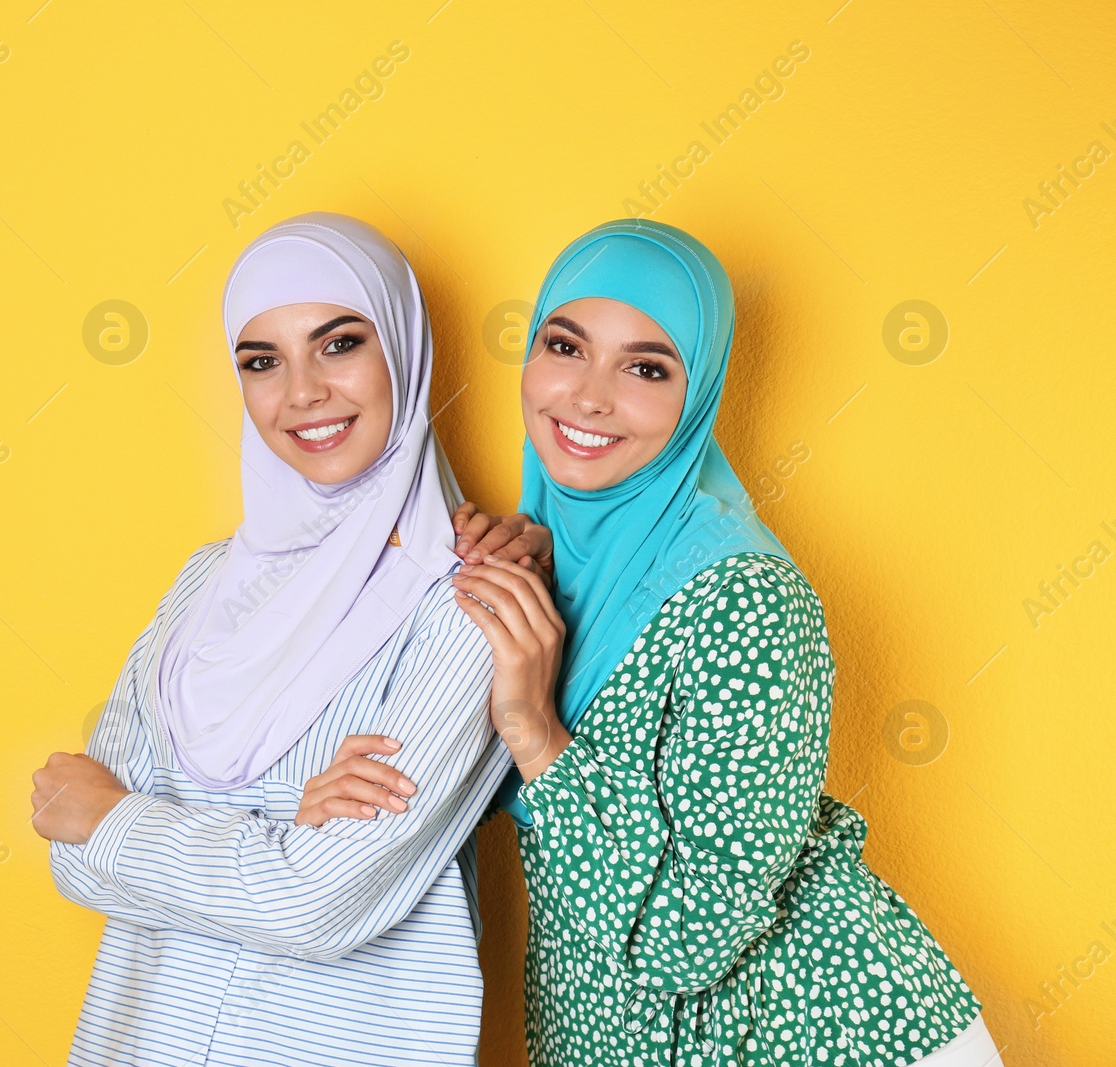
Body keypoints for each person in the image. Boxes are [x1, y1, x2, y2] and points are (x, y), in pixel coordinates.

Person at [307, 219, 998, 1065]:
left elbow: (690, 943)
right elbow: (451, 801)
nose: (589, 396)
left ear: (696, 391)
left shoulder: (743, 600)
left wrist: (537, 730)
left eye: (645, 366)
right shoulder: (538, 562)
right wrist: (343, 782)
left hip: (814, 1035)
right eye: (565, 346)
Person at [29, 211, 546, 1067]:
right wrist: (276, 834)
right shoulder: (207, 582)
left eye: (339, 344)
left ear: (406, 355)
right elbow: (71, 856)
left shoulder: (472, 600)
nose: (301, 391)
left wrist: (123, 819)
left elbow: (318, 904)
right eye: (261, 361)